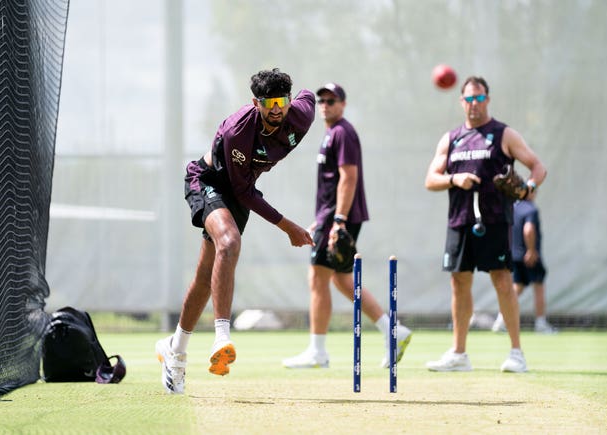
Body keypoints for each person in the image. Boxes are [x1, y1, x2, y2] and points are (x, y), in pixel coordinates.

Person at [155, 69, 315, 394]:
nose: (276, 109)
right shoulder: (238, 132)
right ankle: (222, 337)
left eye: (281, 101)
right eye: (269, 102)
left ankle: (175, 350)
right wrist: (288, 227)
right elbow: (241, 192)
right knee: (229, 242)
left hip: (242, 189)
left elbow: (309, 96)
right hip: (209, 181)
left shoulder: (300, 115)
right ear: (256, 103)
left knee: (204, 279)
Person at [282, 83, 412, 370]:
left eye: (331, 100)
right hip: (331, 216)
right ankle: (392, 329)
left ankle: (317, 351)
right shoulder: (332, 134)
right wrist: (323, 217)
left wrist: (338, 220)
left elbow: (348, 177)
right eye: (322, 100)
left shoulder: (343, 132)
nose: (325, 105)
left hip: (339, 218)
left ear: (343, 103)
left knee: (317, 278)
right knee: (339, 279)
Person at [424, 76, 547, 373]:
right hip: (460, 220)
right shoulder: (451, 138)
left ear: (487, 100)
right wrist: (455, 179)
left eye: (479, 98)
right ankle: (459, 353)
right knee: (459, 282)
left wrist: (528, 186)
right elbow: (430, 179)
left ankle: (517, 353)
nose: (474, 104)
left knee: (503, 281)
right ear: (461, 102)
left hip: (494, 220)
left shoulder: (503, 134)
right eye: (469, 99)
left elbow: (537, 166)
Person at [492, 190, 557, 334]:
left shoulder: (512, 208)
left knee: (517, 288)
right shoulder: (530, 209)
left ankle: (501, 319)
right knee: (538, 286)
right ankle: (540, 323)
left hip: (514, 256)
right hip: (529, 255)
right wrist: (531, 250)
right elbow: (528, 230)